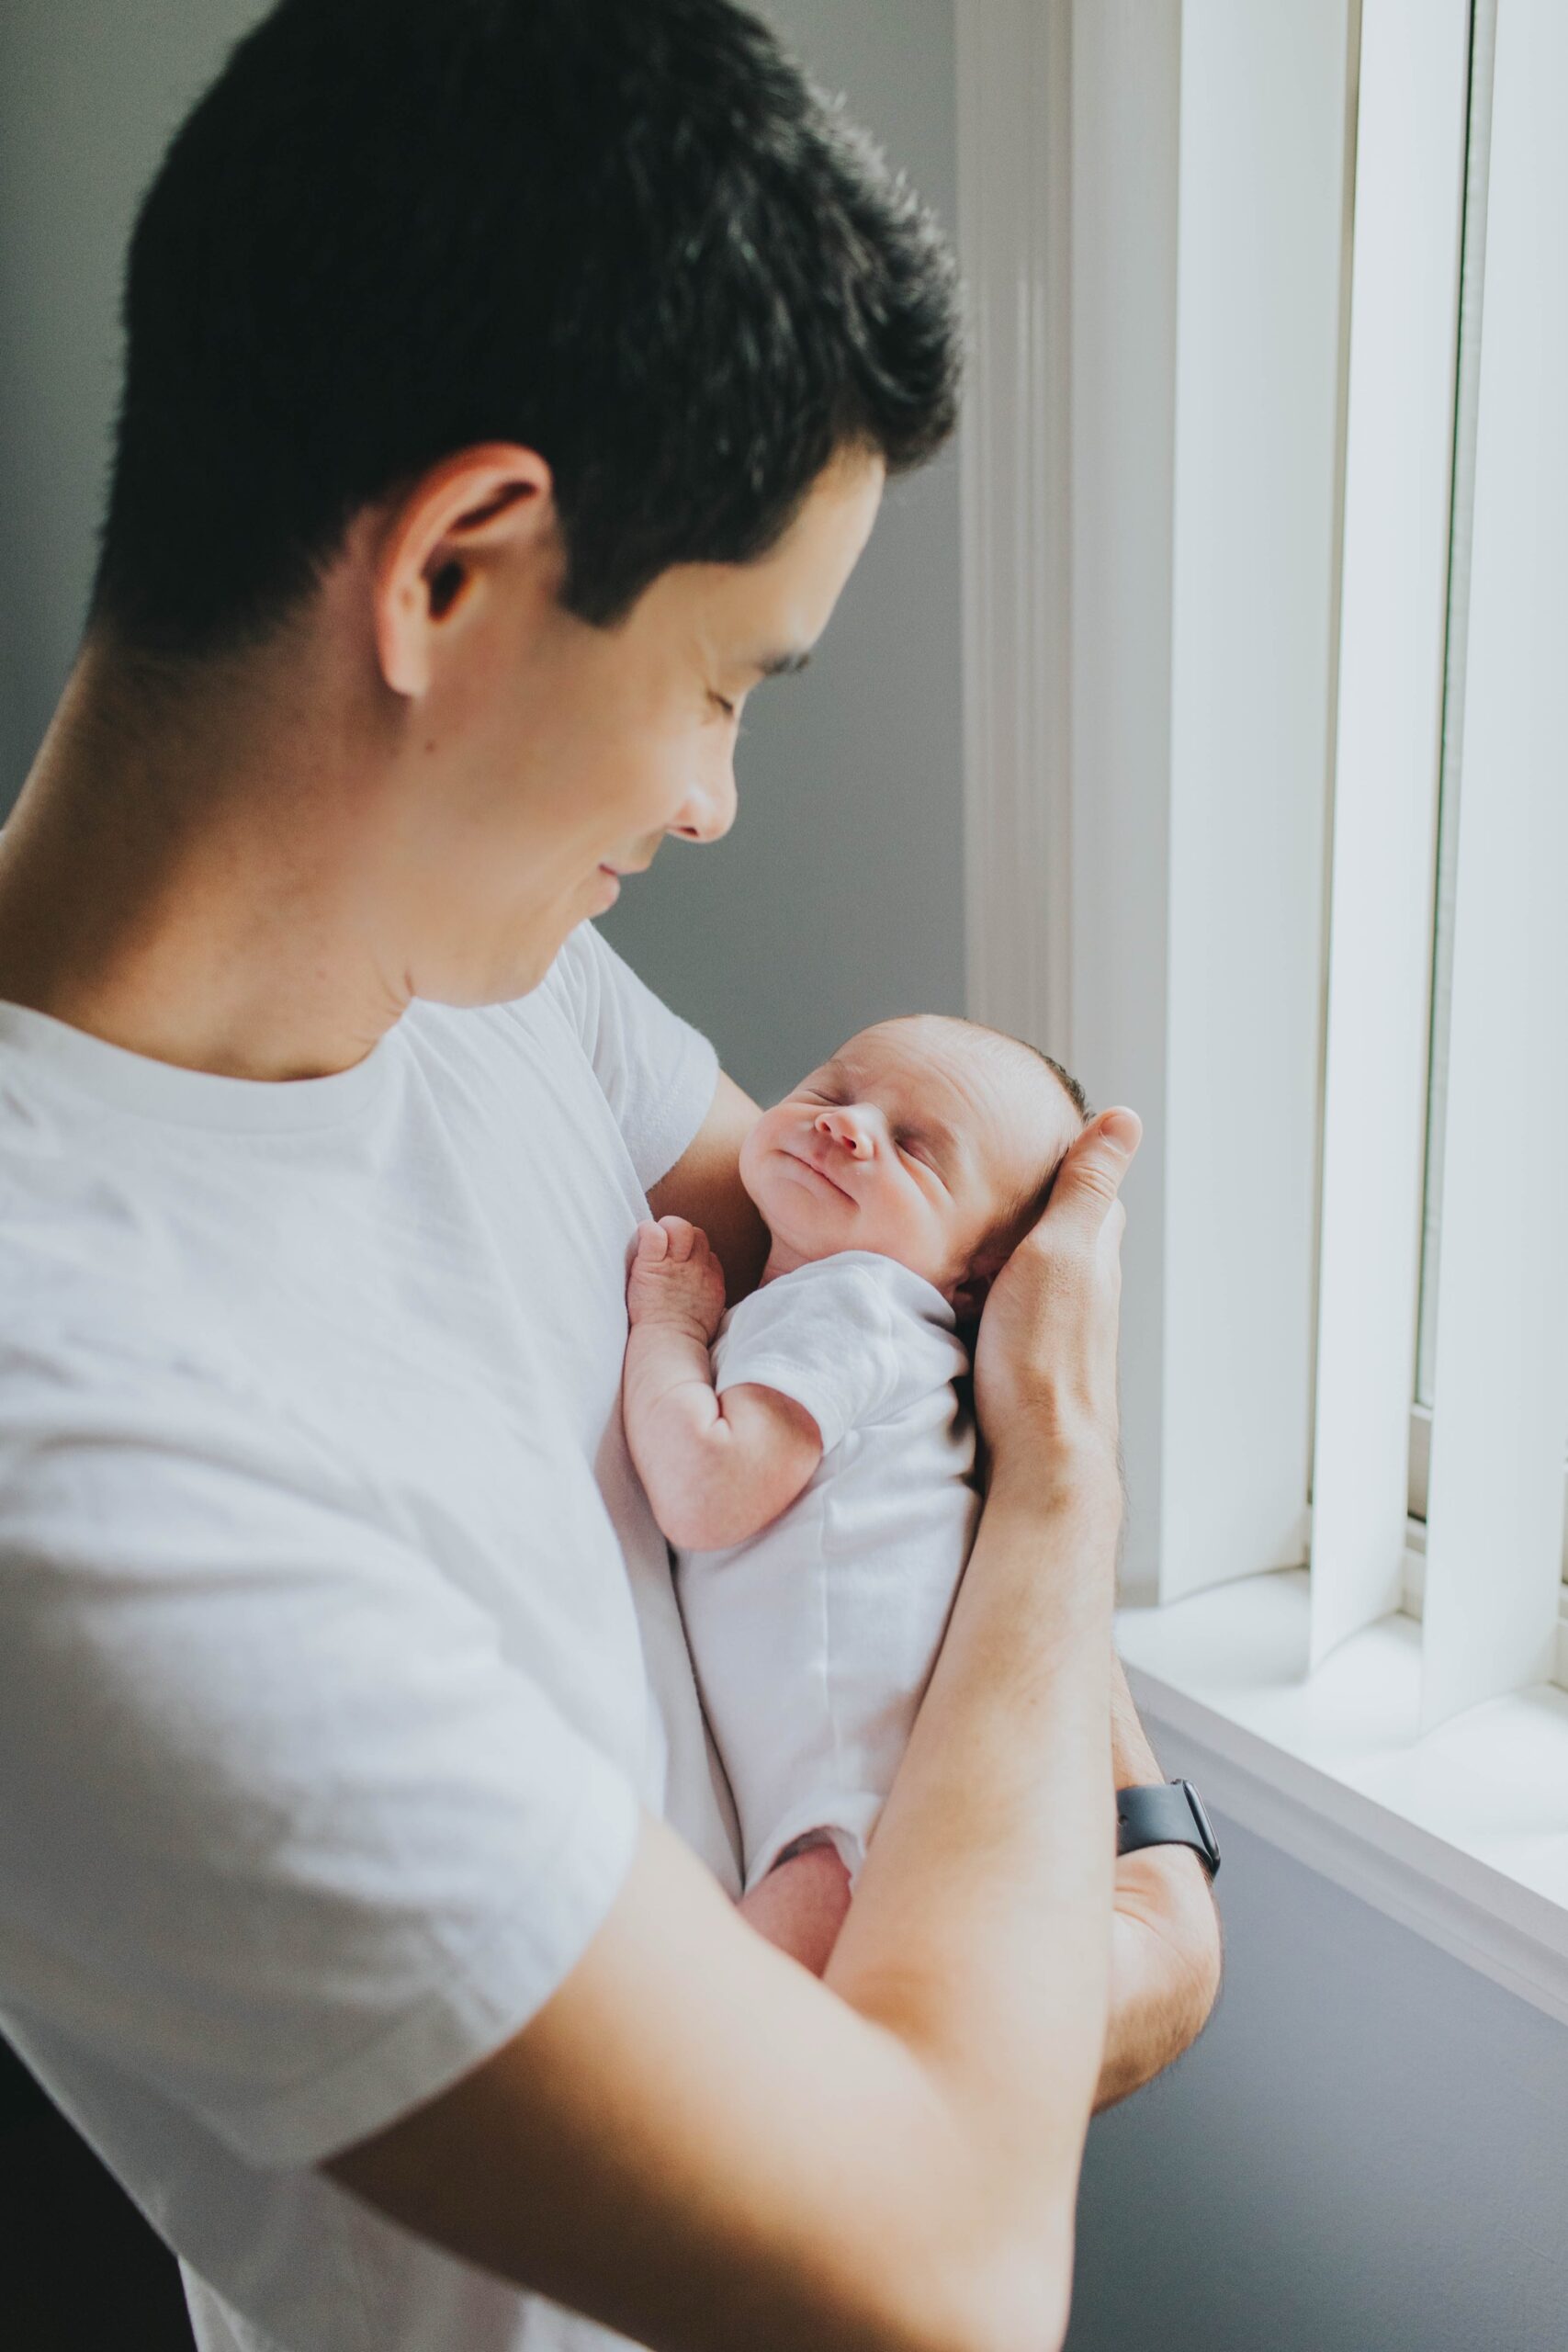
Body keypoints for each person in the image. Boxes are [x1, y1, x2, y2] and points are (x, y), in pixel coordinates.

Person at [0, 3, 1223, 2348]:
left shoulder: (509, 996)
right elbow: (948, 2259)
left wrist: (1143, 1869)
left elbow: (898, 1353)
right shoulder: (67, 1430)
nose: (710, 805)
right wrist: (1063, 1494)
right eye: (722, 685)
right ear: (452, 569)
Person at [624, 1015, 1086, 1893]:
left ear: (976, 1277)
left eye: (914, 1150)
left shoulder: (858, 1304)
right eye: (831, 1092)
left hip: (848, 1823)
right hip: (858, 1802)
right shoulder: (855, 1330)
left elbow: (706, 1486)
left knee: (755, 2025)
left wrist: (671, 1327)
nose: (846, 1126)